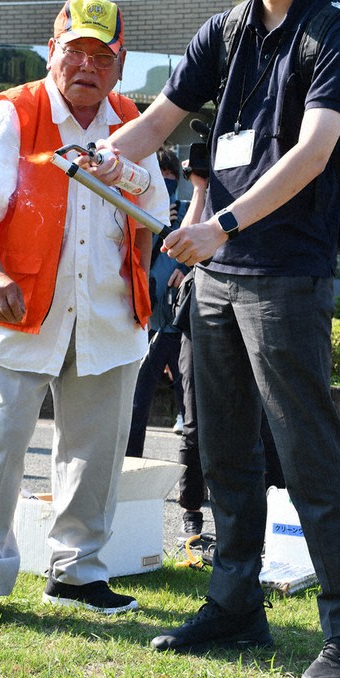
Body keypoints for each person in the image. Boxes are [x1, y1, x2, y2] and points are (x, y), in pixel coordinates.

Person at [94, 0, 340, 678]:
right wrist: (104, 154)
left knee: (307, 452)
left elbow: (316, 149)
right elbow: (157, 120)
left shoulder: (337, 25)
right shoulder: (225, 29)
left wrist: (222, 225)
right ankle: (233, 605)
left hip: (285, 272)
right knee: (223, 446)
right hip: (214, 276)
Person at [0, 0, 169, 629]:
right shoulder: (13, 115)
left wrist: (124, 170)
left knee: (96, 452)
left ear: (121, 66)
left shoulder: (133, 119)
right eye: (76, 52)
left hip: (108, 314)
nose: (88, 67)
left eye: (103, 56)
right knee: (1, 443)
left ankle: (77, 572)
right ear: (53, 54)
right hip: (22, 311)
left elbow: (156, 207)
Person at [126, 146, 188, 459]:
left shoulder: (190, 210)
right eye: (161, 180)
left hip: (182, 321)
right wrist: (155, 227)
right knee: (137, 399)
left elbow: (201, 257)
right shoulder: (138, 212)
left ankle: (192, 480)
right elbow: (138, 262)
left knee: (190, 400)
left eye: (172, 179)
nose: (168, 185)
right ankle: (128, 464)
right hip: (148, 320)